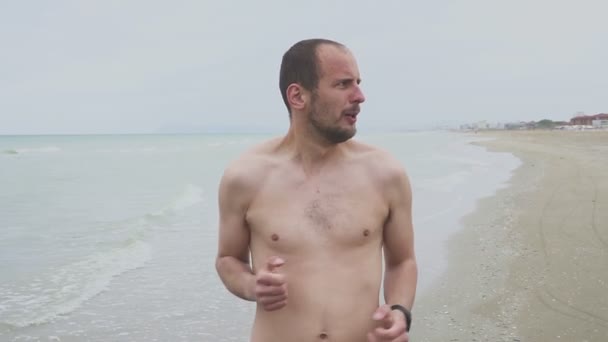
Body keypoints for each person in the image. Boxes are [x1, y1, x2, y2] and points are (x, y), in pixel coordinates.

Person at [215, 38, 418, 342]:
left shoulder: (385, 174)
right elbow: (228, 259)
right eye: (343, 84)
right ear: (298, 96)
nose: (360, 96)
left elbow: (402, 261)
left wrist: (399, 312)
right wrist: (251, 285)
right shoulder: (245, 178)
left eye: (358, 83)